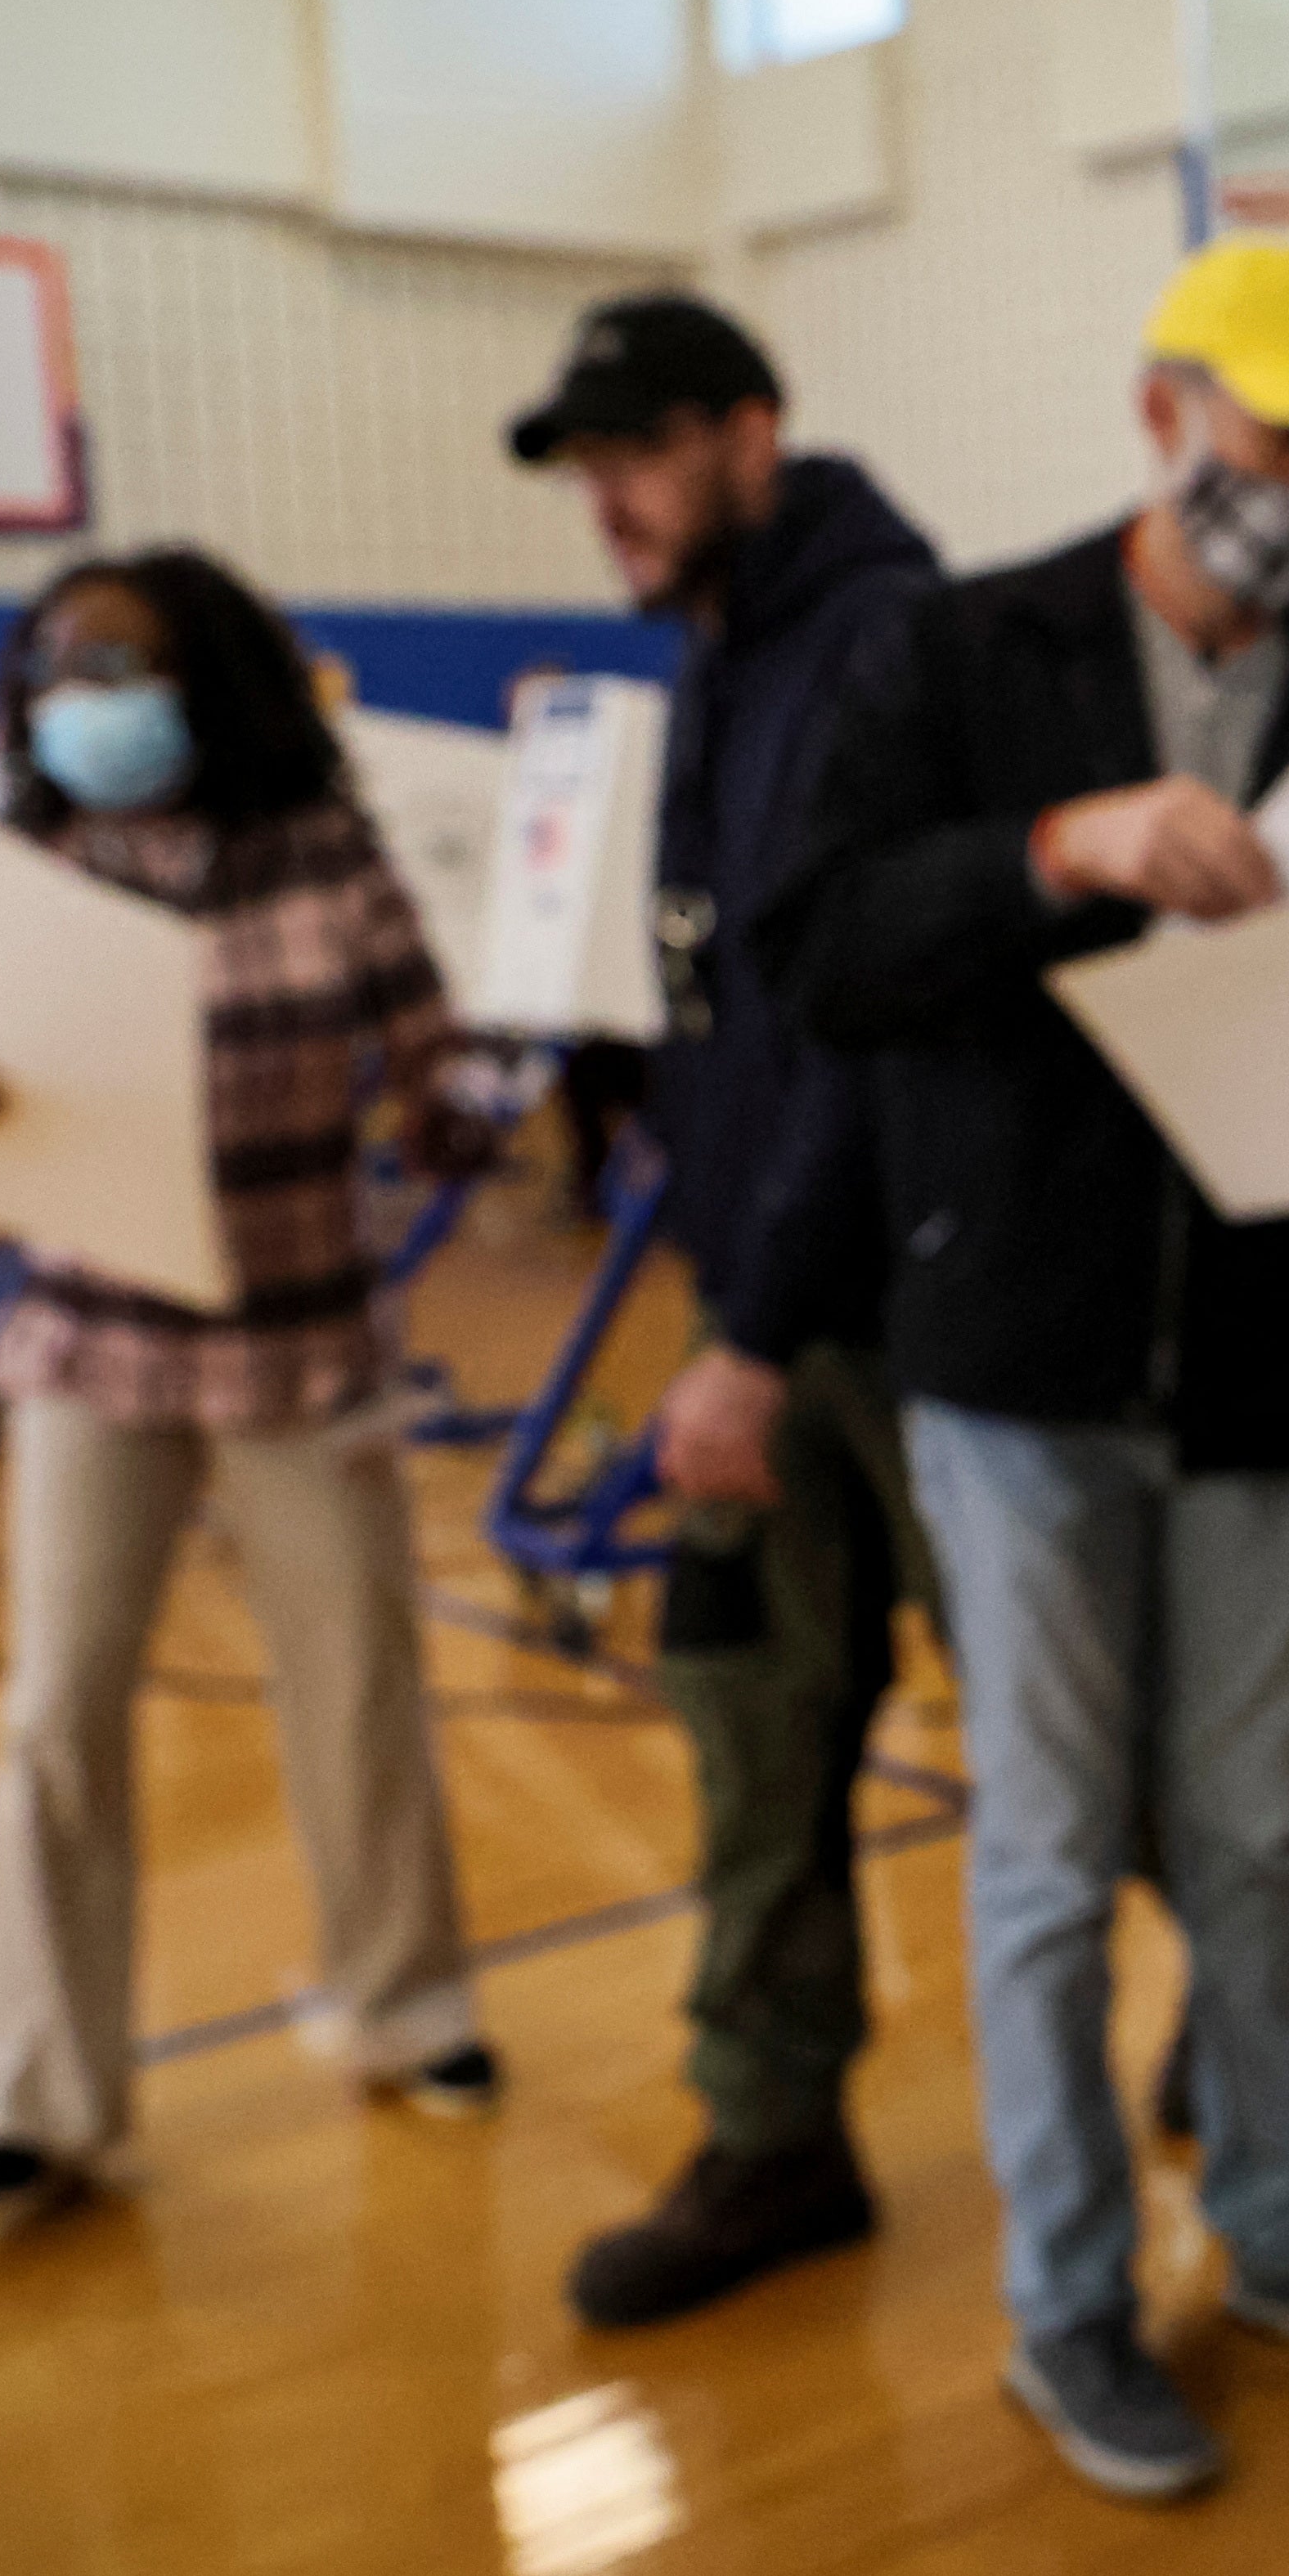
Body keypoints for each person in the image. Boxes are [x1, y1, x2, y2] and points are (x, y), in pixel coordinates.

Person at [759, 237, 1289, 2502]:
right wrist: (1055, 850)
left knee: (1252, 1855)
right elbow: (821, 950)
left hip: (1260, 1377)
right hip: (1019, 1368)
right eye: (1282, 434)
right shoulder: (960, 656)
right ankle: (1069, 2303)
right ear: (1164, 414)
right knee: (1053, 1868)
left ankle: (1281, 2232)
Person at [0, 545, 502, 2232]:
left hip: (301, 1338)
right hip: (91, 1343)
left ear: (209, 683)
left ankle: (408, 2007)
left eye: (122, 669)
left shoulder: (328, 858)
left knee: (355, 1686)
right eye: (60, 674)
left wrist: (457, 1114)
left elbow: (437, 1059)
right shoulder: (13, 873)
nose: (88, 704)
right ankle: (40, 2102)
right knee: (56, 1716)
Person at [505, 293, 950, 2326]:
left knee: (1077, 1747)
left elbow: (869, 1028)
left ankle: (1235, 2039)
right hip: (765, 1289)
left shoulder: (879, 639)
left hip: (903, 1314)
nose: (608, 495)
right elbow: (732, 993)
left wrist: (755, 1334)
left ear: (752, 435)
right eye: (587, 463)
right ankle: (773, 2141)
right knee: (754, 1726)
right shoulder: (723, 648)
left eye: (643, 450)